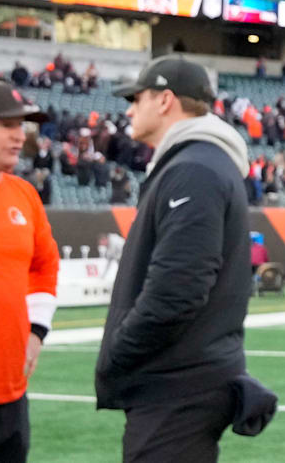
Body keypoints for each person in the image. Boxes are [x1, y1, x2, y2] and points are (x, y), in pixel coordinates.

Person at [95, 56, 259, 460]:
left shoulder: (194, 170)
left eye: (137, 98)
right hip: (184, 380)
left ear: (165, 100)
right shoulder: (197, 164)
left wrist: (119, 352)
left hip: (177, 385)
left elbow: (177, 289)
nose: (130, 109)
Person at [0, 82, 57, 463]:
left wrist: (37, 329)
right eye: (5, 125)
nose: (19, 135)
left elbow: (45, 264)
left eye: (21, 126)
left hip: (8, 396)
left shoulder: (25, 195)